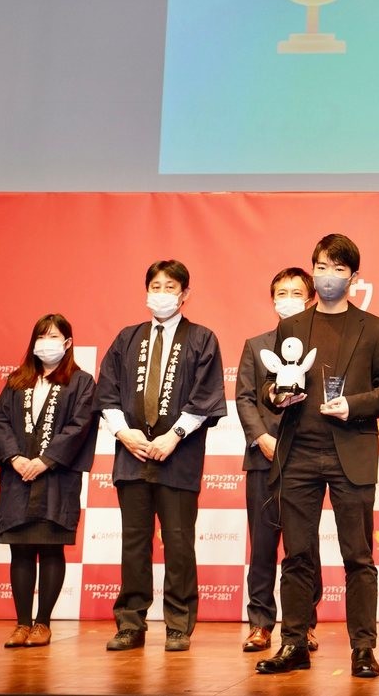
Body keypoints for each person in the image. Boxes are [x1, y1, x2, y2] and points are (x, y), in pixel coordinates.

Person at [255, 234, 379, 679]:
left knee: (358, 556)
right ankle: (294, 643)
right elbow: (269, 384)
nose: (328, 276)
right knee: (297, 555)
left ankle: (363, 648)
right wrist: (276, 396)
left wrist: (353, 405)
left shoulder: (374, 328)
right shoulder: (292, 326)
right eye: (321, 267)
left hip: (350, 452)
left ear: (354, 277)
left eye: (338, 268)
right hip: (297, 453)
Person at [100, 260, 226, 652]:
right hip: (132, 456)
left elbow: (206, 397)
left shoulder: (202, 339)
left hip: (179, 457)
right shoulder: (127, 338)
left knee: (179, 542)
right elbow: (107, 392)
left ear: (185, 294)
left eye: (170, 287)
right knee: (134, 543)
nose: (161, 294)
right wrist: (124, 433)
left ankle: (178, 624)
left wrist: (174, 436)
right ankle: (131, 623)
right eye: (155, 286)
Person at [0, 314, 99, 649]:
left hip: (56, 478)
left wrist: (45, 460)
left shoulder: (81, 382)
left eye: (54, 336)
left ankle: (43, 623)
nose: (46, 343)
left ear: (67, 343)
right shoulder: (17, 380)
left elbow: (80, 425)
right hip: (17, 477)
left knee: (51, 548)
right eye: (41, 336)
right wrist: (14, 458)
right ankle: (22, 623)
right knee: (20, 549)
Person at [236, 268, 322, 653]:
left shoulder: (322, 347)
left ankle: (304, 623)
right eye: (281, 293)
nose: (288, 299)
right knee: (263, 545)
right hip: (264, 458)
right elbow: (244, 397)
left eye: (296, 293)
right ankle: (260, 623)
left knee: (305, 545)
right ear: (273, 300)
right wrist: (261, 437)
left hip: (307, 458)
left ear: (310, 299)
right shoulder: (256, 345)